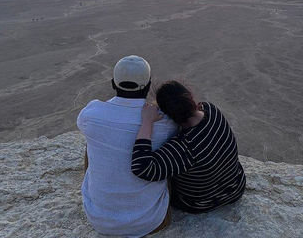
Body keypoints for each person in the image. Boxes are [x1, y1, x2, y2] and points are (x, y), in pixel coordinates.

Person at [77, 56, 178, 237]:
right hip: (150, 221)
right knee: (167, 155)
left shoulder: (90, 114)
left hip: (99, 220)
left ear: (113, 84)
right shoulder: (164, 123)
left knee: (93, 139)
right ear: (148, 86)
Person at [131, 81, 246, 213]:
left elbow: (141, 168)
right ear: (190, 96)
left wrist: (147, 120)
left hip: (200, 203)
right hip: (236, 187)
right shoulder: (212, 110)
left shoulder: (182, 147)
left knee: (162, 179)